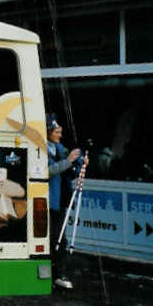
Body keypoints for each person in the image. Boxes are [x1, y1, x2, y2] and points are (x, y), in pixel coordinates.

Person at [47, 116, 84, 290]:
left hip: (61, 199)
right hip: (48, 200)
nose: (60, 136)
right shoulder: (41, 149)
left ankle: (58, 274)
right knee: (52, 238)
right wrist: (68, 161)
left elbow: (69, 169)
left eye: (61, 132)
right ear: (48, 132)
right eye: (57, 132)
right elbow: (48, 171)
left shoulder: (60, 148)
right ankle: (51, 274)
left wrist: (79, 164)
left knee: (61, 239)